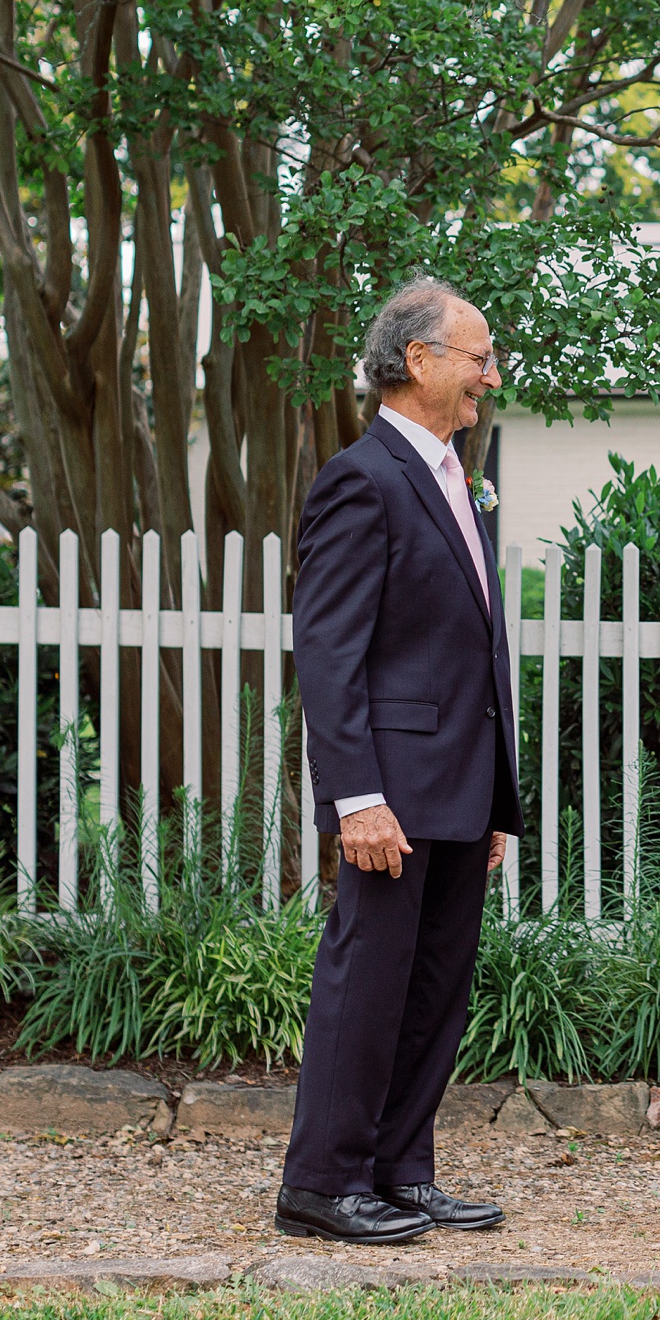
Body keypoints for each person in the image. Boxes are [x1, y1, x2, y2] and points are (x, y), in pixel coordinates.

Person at [275, 276, 520, 1244]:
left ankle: (399, 1169)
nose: (489, 376)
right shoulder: (361, 477)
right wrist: (357, 798)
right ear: (418, 360)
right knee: (368, 983)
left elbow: (471, 644)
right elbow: (329, 653)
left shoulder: (458, 476)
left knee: (434, 987)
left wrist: (494, 795)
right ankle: (321, 1182)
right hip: (391, 790)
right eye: (478, 357)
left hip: (460, 784)